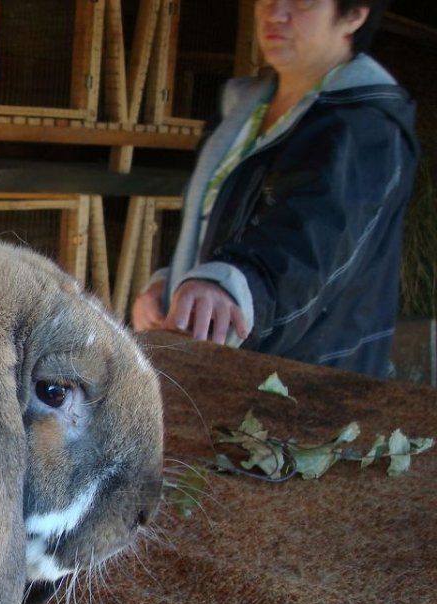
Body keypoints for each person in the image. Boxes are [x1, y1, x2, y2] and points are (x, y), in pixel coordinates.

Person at [131, 0, 418, 378]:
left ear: (354, 15)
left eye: (301, 2)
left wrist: (231, 287)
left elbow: (311, 246)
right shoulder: (242, 109)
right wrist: (170, 284)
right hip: (226, 363)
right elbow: (210, 221)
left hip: (311, 380)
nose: (275, 13)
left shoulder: (364, 126)